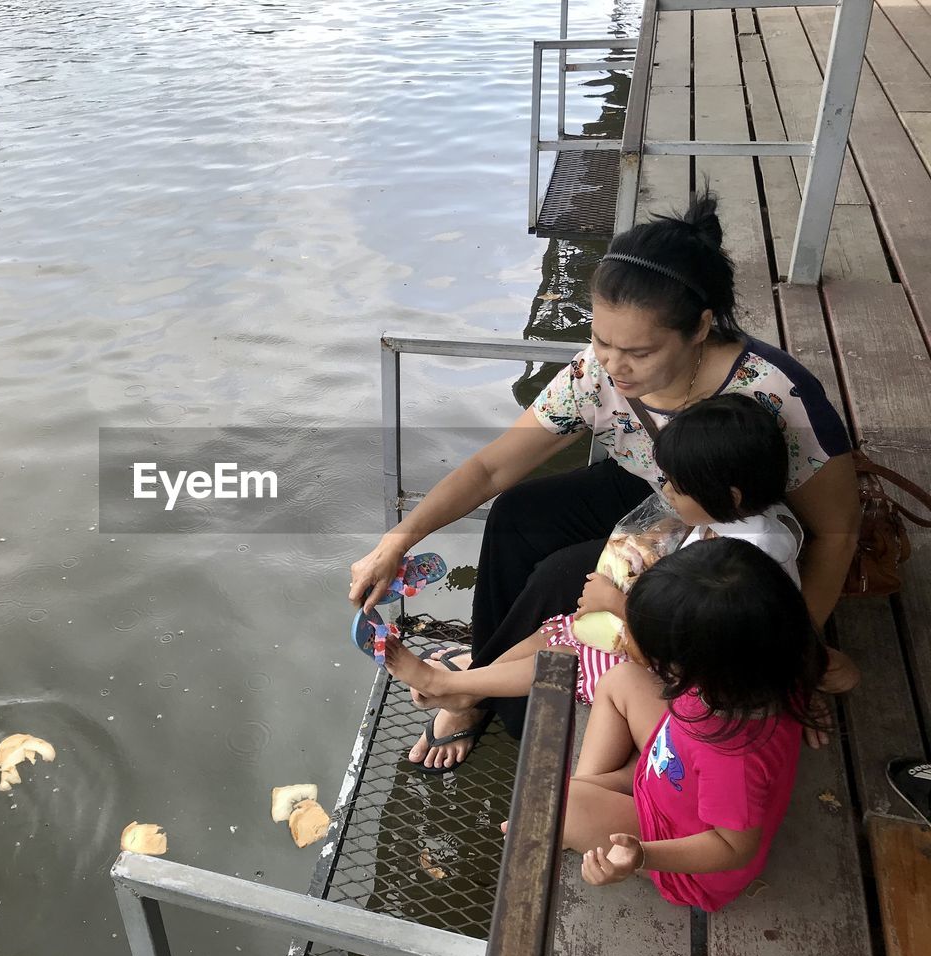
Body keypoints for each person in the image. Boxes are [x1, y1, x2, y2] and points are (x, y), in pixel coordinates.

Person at [348, 190, 859, 772]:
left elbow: (837, 533)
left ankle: (498, 697)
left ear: (700, 328)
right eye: (602, 341)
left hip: (727, 521)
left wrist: (786, 653)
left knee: (564, 576)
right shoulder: (596, 375)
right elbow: (493, 466)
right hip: (654, 487)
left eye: (638, 352)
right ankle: (479, 683)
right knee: (521, 513)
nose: (614, 367)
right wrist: (398, 540)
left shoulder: (777, 395)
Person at [383, 395, 854, 713]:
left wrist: (618, 604)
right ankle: (471, 687)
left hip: (701, 675)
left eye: (675, 484)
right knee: (559, 629)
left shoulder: (749, 557)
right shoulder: (736, 521)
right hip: (678, 643)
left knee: (575, 655)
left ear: (728, 496)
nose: (665, 491)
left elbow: (703, 639)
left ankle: (453, 686)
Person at [556, 538, 853, 910]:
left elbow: (732, 848)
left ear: (703, 661)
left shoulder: (734, 757)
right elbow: (847, 673)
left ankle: (595, 802)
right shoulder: (771, 657)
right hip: (678, 768)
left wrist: (641, 856)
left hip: (678, 849)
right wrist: (813, 692)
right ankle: (617, 785)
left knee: (556, 804)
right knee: (622, 679)